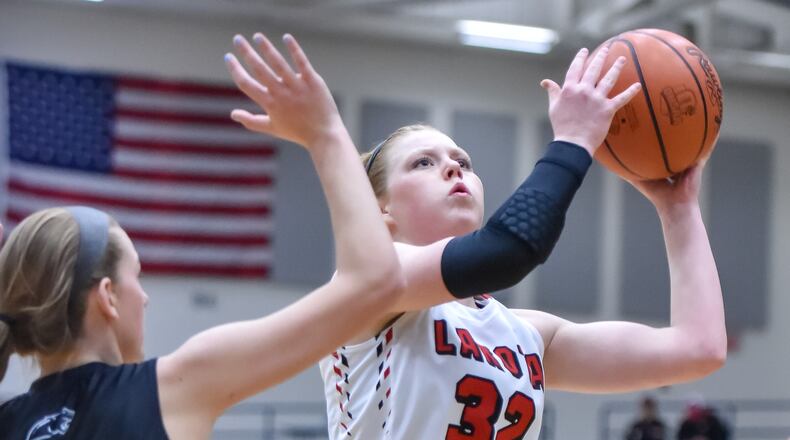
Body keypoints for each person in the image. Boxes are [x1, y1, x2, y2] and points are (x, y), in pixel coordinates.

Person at [297, 43, 719, 438]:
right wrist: (572, 141)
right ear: (380, 210)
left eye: (463, 161)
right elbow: (509, 249)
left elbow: (697, 349)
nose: (453, 169)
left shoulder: (526, 336)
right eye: (423, 162)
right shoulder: (371, 281)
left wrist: (678, 209)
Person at [0, 34, 407, 439]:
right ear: (107, 296)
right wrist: (325, 132)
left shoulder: (9, 421)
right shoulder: (170, 389)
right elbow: (376, 281)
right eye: (136, 276)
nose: (144, 296)